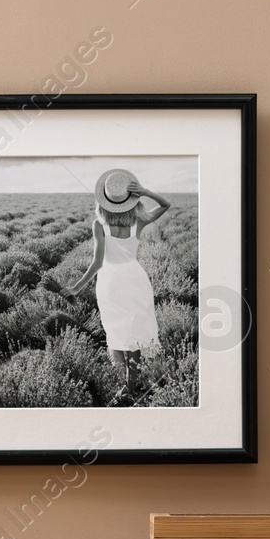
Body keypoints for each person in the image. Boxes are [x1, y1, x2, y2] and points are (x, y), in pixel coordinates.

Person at [67, 168, 172, 399]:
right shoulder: (139, 221)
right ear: (131, 200)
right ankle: (132, 384)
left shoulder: (99, 224)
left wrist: (76, 287)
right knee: (136, 329)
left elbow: (96, 264)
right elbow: (166, 205)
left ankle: (128, 385)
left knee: (118, 329)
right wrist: (144, 192)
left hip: (110, 282)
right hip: (135, 279)